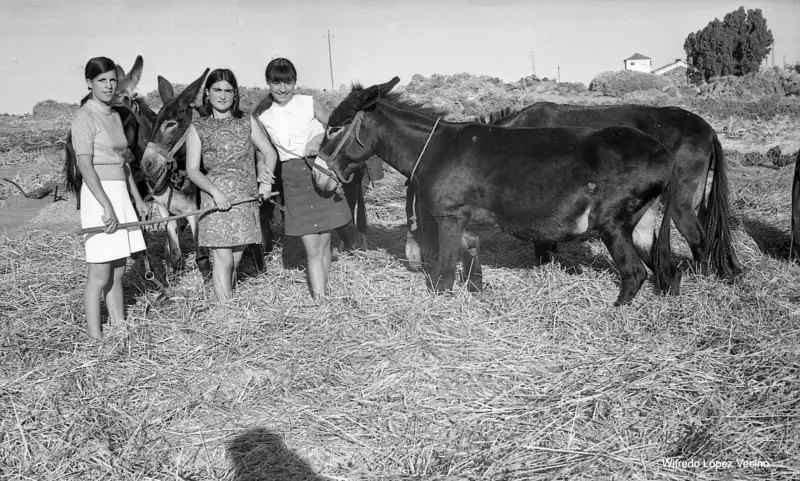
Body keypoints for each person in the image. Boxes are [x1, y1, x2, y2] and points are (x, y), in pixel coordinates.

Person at [253, 58, 352, 300]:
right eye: (276, 82)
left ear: (295, 82)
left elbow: (339, 128)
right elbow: (261, 150)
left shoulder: (309, 103)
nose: (283, 88)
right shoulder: (263, 116)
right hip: (294, 177)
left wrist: (317, 142)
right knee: (312, 247)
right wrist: (261, 169)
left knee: (326, 242)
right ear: (268, 83)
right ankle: (320, 304)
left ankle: (324, 295)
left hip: (321, 171)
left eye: (288, 82)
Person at [69, 56, 149, 339]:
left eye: (113, 80)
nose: (109, 85)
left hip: (120, 194)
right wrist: (106, 205)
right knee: (99, 274)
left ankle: (119, 326)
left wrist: (137, 200)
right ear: (89, 83)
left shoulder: (115, 115)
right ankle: (96, 338)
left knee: (118, 271)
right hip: (98, 195)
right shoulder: (84, 118)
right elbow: (85, 166)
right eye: (102, 80)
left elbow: (123, 162)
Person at [184, 68, 274, 302]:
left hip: (244, 200)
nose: (222, 95)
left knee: (234, 261)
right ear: (207, 93)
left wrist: (265, 182)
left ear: (235, 95)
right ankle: (225, 314)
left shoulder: (246, 122)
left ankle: (228, 301)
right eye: (217, 90)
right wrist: (215, 192)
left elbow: (268, 151)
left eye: (228, 90)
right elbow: (192, 170)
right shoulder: (199, 127)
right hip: (215, 201)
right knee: (222, 261)